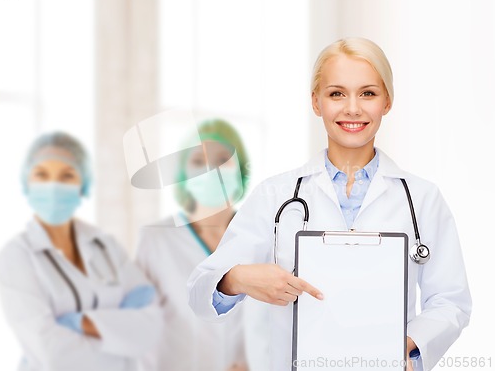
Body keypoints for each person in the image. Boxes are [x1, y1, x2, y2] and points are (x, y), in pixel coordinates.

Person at [187, 38, 472, 371]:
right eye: (337, 93)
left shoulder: (421, 198)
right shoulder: (274, 196)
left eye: (368, 93)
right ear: (316, 102)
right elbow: (199, 290)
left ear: (387, 102)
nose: (352, 108)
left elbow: (451, 301)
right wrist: (237, 279)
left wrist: (403, 345)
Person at [0, 131, 162, 371]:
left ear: (82, 184)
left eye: (66, 176)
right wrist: (118, 333)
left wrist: (79, 323)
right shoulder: (15, 257)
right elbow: (51, 354)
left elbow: (150, 328)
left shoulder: (106, 245)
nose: (53, 186)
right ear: (26, 183)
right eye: (41, 175)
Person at [135, 119, 250, 371]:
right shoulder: (155, 240)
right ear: (182, 175)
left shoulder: (260, 237)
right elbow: (140, 330)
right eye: (198, 161)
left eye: (222, 159)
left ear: (240, 170)